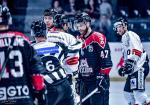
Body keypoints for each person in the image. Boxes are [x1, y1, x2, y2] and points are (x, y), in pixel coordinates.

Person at [0, 5, 46, 105]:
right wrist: (40, 92)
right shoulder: (22, 39)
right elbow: (36, 69)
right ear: (8, 19)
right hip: (23, 96)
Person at [31, 19, 81, 105]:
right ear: (46, 32)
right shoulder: (57, 46)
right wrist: (80, 42)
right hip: (65, 85)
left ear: (33, 33)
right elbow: (75, 48)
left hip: (49, 88)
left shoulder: (31, 50)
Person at [75, 12, 113, 105]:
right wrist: (79, 79)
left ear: (88, 23)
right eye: (77, 25)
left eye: (81, 25)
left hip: (97, 81)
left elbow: (106, 61)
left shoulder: (97, 37)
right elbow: (80, 61)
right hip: (84, 82)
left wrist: (102, 77)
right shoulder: (79, 40)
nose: (79, 28)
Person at [113, 17, 150, 105]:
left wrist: (130, 63)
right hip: (135, 69)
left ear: (125, 25)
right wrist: (124, 67)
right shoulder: (124, 38)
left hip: (140, 67)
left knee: (139, 95)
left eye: (119, 26)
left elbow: (137, 50)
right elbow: (128, 56)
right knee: (127, 94)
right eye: (117, 27)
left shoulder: (130, 34)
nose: (118, 29)